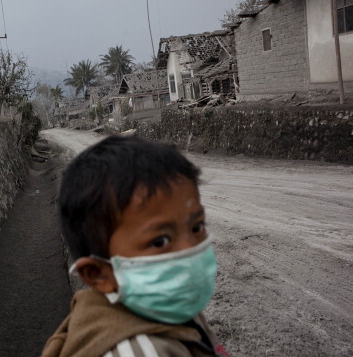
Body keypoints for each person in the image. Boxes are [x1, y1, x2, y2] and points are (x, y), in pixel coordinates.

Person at [41, 135, 228, 357]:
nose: (190, 248)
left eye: (197, 228)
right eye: (160, 241)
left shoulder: (169, 310)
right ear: (99, 274)